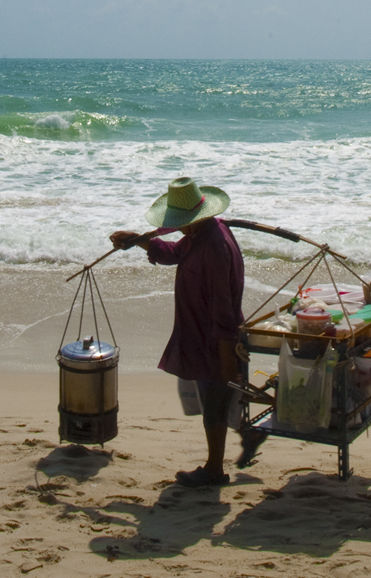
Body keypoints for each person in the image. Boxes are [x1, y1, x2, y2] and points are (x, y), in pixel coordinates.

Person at [110, 176, 263, 487]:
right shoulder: (200, 234)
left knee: (215, 401)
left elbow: (222, 306)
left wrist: (224, 351)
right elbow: (173, 254)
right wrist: (140, 240)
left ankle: (214, 470)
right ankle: (248, 435)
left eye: (180, 222)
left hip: (214, 335)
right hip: (197, 331)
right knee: (215, 398)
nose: (177, 227)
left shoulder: (215, 245)